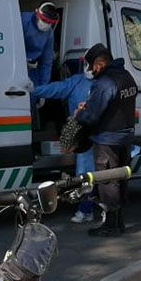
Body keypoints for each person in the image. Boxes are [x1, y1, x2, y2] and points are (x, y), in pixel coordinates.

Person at [74, 43, 139, 237]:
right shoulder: (126, 76)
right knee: (120, 178)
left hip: (107, 139)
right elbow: (116, 103)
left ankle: (111, 226)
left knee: (108, 181)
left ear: (100, 63)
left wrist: (79, 114)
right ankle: (119, 223)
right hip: (126, 136)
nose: (91, 71)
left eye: (92, 66)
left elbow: (92, 116)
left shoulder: (105, 82)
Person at [32, 59, 99, 223]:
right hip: (90, 132)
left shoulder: (79, 82)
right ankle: (90, 208)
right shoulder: (97, 82)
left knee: (85, 171)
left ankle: (88, 209)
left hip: (84, 132)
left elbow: (56, 89)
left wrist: (33, 90)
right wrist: (35, 90)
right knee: (88, 171)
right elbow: (55, 89)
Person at [21, 2, 59, 89]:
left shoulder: (48, 33)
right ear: (36, 13)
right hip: (15, 66)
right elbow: (11, 44)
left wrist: (43, 88)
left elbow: (46, 62)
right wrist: (22, 61)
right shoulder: (23, 20)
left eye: (50, 22)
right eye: (44, 20)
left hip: (32, 71)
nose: (46, 24)